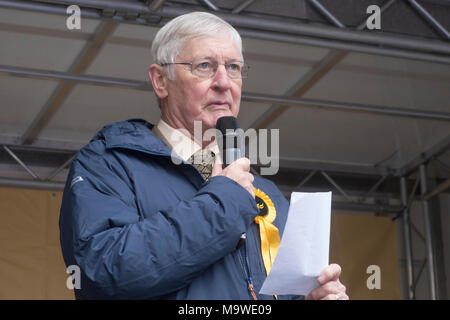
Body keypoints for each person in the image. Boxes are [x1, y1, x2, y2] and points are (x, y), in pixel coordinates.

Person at [59, 11, 348, 300]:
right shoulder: (109, 162)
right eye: (205, 66)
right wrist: (223, 202)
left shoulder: (264, 192)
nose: (224, 82)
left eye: (233, 67)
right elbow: (102, 273)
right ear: (160, 80)